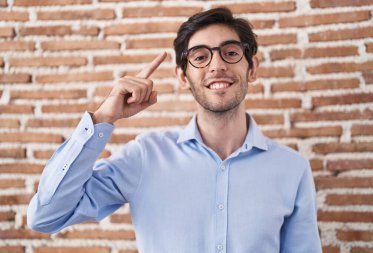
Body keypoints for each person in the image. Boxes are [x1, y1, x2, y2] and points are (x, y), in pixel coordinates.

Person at [27, 7, 322, 253]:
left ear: (252, 68)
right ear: (183, 76)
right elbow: (46, 216)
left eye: (231, 53)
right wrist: (103, 117)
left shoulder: (292, 169)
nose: (217, 65)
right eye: (200, 56)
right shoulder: (145, 157)